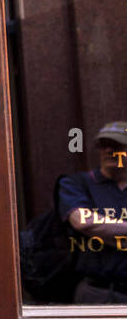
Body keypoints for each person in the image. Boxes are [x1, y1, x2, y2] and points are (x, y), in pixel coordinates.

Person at [59, 121, 127, 304]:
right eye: (103, 145)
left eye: (116, 145)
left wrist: (106, 230)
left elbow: (94, 225)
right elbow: (83, 221)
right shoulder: (76, 184)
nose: (108, 151)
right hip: (98, 293)